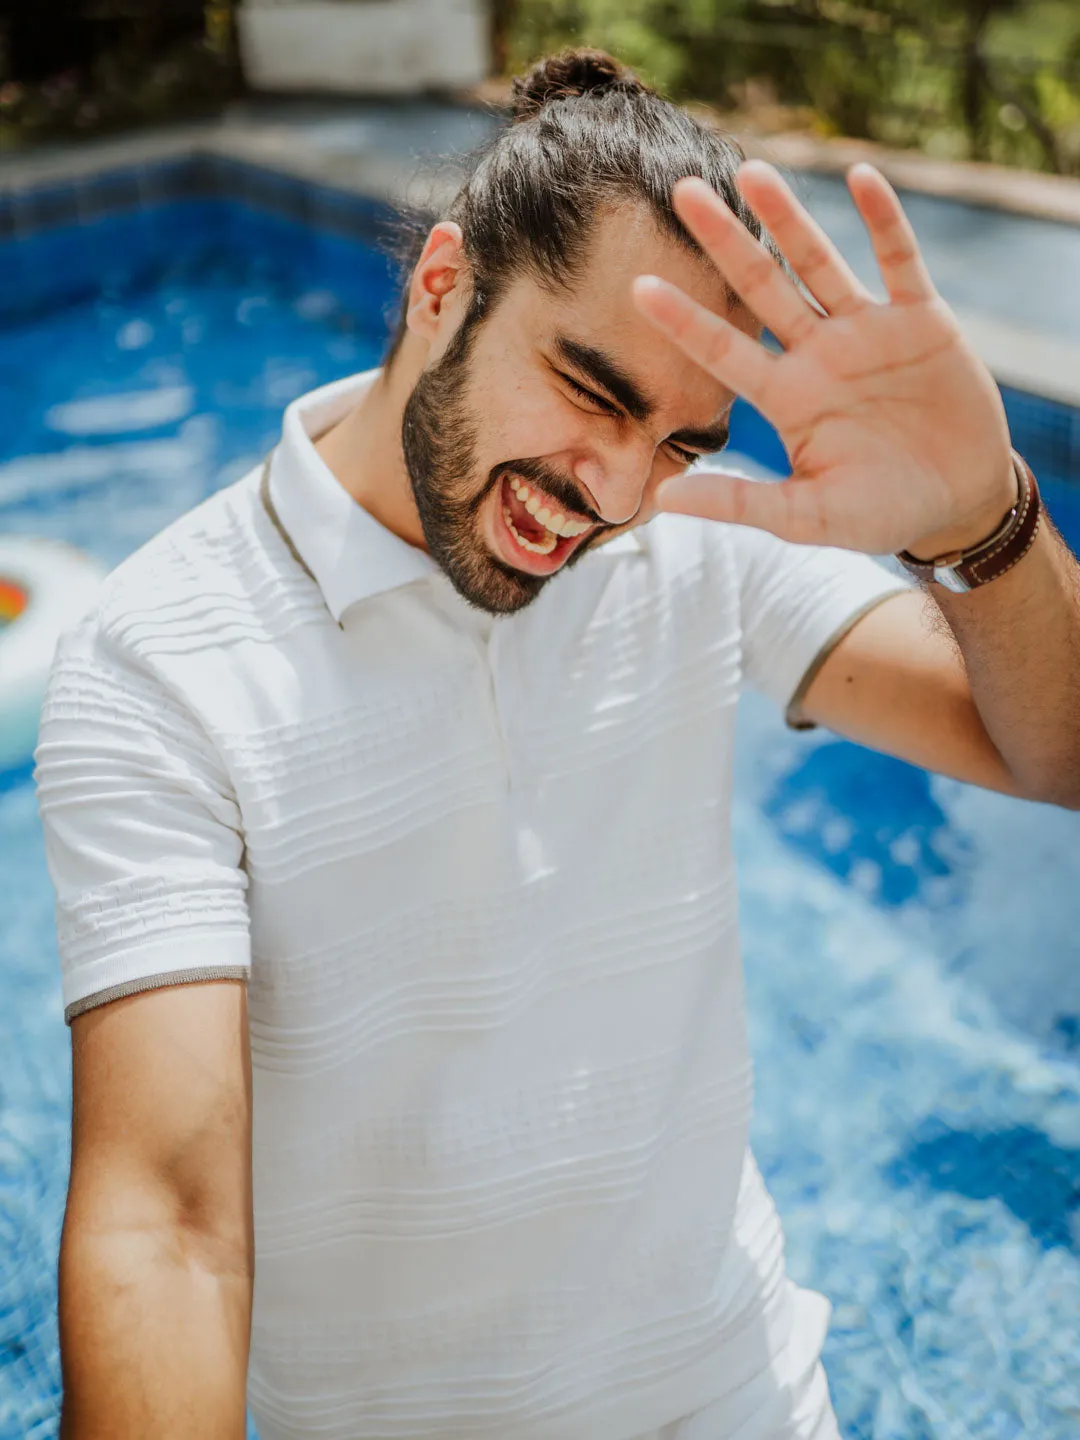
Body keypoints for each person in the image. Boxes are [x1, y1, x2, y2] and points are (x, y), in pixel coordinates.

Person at [35, 46, 1080, 1440]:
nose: (615, 492)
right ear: (441, 285)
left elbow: (1053, 755)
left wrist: (982, 521)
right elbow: (164, 1229)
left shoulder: (704, 546)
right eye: (591, 390)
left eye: (679, 443)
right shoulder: (158, 660)